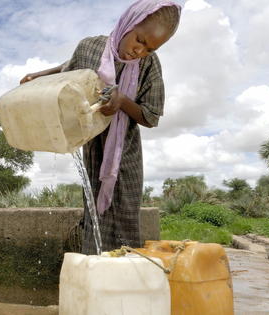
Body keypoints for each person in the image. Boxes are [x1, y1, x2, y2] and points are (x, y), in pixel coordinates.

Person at [20, 0, 181, 253]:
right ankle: (94, 273)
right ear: (129, 23)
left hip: (124, 153)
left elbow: (150, 117)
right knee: (93, 214)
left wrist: (122, 101)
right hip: (93, 146)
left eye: (149, 49)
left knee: (125, 214)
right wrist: (40, 76)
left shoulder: (148, 65)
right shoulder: (90, 47)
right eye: (139, 40)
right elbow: (68, 71)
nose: (139, 51)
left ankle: (122, 278)